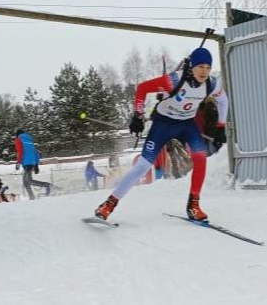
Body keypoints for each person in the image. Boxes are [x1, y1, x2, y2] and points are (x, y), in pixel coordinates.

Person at [93, 47, 228, 221]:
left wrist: (221, 127)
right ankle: (109, 204)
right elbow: (142, 88)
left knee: (200, 158)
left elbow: (224, 101)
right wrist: (138, 115)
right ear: (192, 66)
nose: (204, 71)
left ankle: (193, 205)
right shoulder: (174, 80)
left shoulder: (211, 83)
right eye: (200, 66)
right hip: (163, 124)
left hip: (187, 125)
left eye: (208, 67)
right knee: (142, 166)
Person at [15, 129, 51, 200]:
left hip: (26, 162)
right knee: (25, 182)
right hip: (32, 161)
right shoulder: (29, 139)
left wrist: (18, 163)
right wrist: (36, 164)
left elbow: (20, 152)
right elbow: (36, 152)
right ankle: (32, 197)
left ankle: (48, 185)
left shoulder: (19, 140)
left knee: (28, 180)